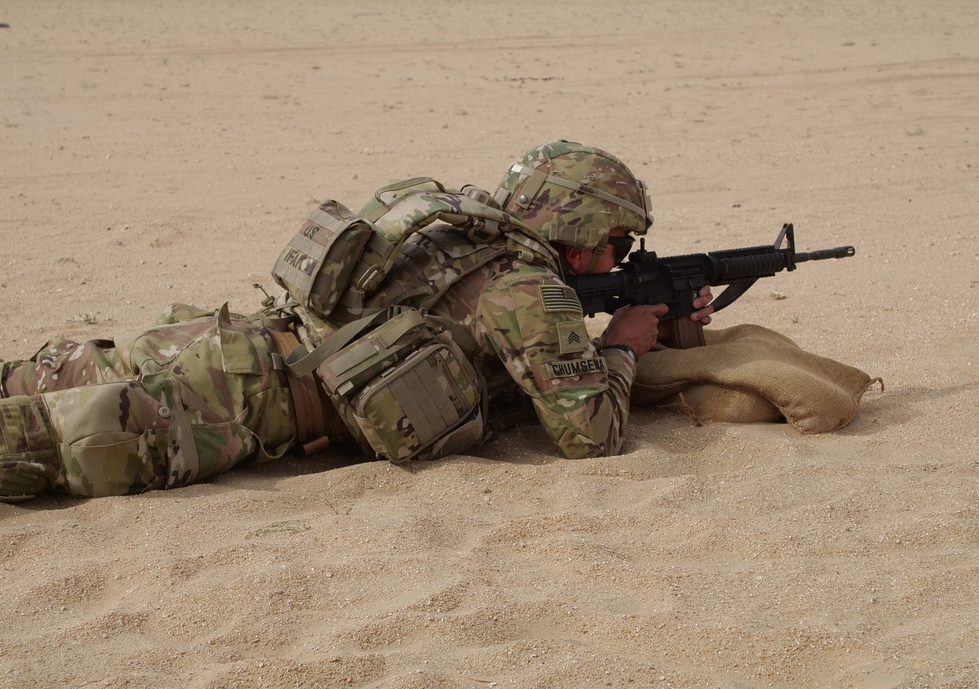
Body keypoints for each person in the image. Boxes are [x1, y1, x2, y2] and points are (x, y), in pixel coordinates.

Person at [0, 141, 713, 499]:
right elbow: (591, 439)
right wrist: (621, 348)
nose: (620, 255)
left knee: (31, 376)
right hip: (238, 408)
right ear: (582, 230)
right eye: (620, 243)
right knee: (43, 445)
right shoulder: (527, 290)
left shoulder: (454, 230)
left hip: (221, 341)